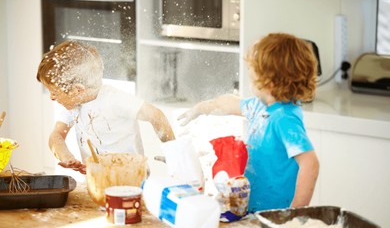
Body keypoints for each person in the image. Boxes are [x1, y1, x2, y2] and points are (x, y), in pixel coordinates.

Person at [178, 33, 320, 212]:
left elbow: (310, 163)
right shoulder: (260, 106)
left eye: (253, 79)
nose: (250, 82)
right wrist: (202, 108)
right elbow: (230, 103)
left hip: (276, 213)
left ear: (269, 82)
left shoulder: (284, 118)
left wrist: (296, 210)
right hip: (253, 207)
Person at [37, 40, 175, 174]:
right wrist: (66, 157)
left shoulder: (114, 100)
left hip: (131, 179)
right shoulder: (73, 105)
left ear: (78, 90)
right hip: (99, 180)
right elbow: (56, 136)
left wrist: (173, 152)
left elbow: (155, 115)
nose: (52, 98)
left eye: (54, 92)